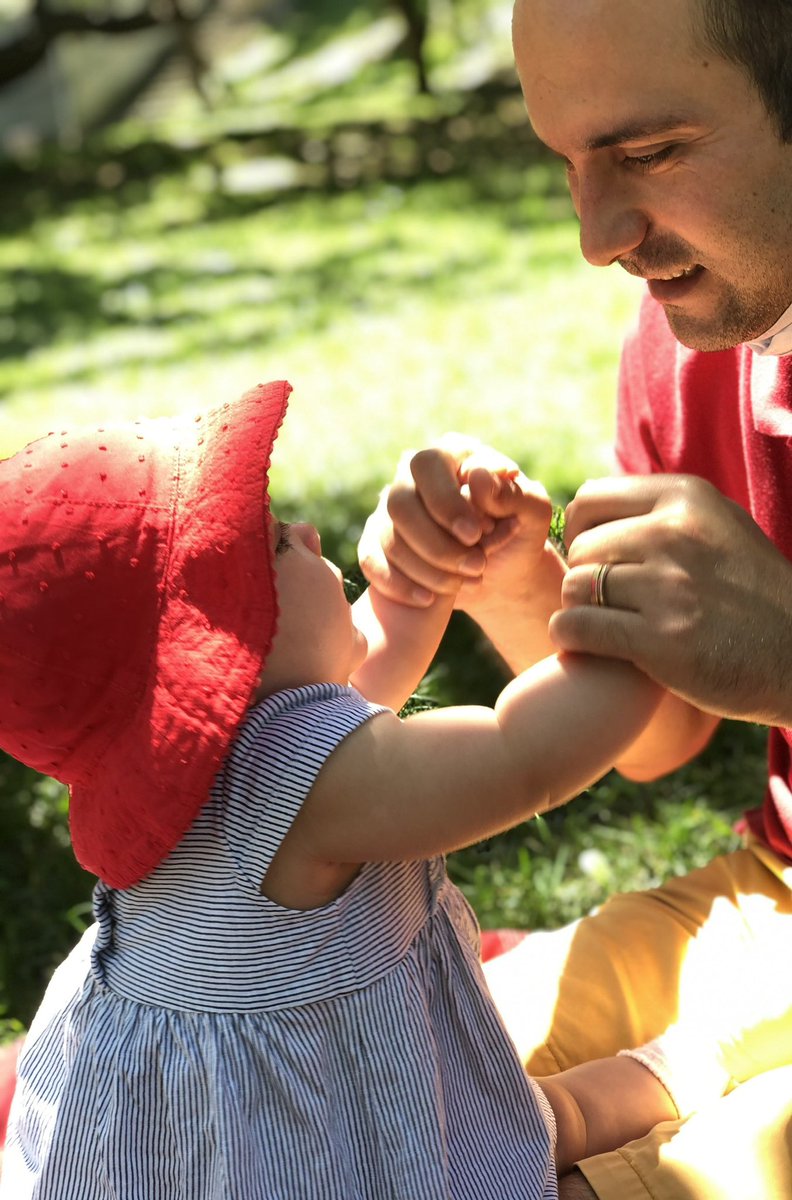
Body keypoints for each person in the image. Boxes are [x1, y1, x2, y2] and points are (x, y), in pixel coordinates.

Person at [0, 380, 714, 1199]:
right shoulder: (305, 782)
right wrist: (641, 626)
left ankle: (597, 1103)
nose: (306, 531)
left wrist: (430, 566)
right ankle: (643, 1093)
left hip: (181, 1142)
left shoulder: (207, 765)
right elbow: (527, 758)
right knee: (521, 1150)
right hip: (313, 1155)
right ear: (222, 648)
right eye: (273, 546)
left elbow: (369, 648)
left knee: (527, 1119)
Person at [359, 0, 792, 1196]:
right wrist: (517, 589)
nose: (597, 235)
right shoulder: (691, 334)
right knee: (349, 1101)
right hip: (771, 902)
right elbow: (665, 739)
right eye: (567, 160)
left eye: (648, 154)